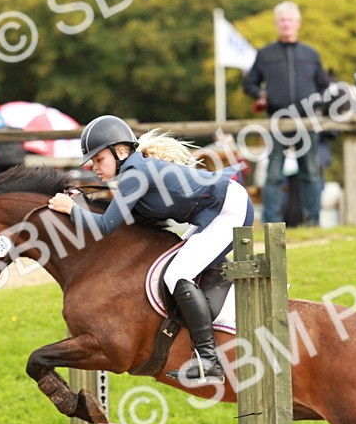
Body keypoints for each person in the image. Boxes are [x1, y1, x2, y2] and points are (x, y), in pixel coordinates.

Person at [47, 116, 252, 386]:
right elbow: (120, 214)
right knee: (179, 264)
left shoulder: (135, 174)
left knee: (177, 273)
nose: (93, 166)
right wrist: (83, 203)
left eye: (99, 160)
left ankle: (209, 362)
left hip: (229, 209)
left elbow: (108, 226)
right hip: (212, 213)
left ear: (120, 152)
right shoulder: (133, 172)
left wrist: (72, 210)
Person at [241, 1, 329, 226]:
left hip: (307, 121)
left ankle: (312, 221)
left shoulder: (311, 54)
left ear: (298, 24)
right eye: (282, 20)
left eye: (290, 20)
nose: (286, 24)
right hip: (277, 121)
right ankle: (271, 222)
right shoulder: (265, 54)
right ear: (276, 24)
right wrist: (260, 95)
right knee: (273, 174)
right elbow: (249, 84)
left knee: (310, 172)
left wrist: (319, 104)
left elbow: (324, 85)